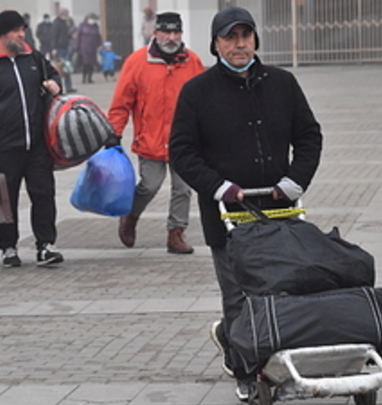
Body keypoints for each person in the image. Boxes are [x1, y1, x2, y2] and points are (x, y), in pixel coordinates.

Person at [168, 6, 323, 401]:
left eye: (245, 36)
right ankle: (245, 367)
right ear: (216, 43)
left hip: (280, 210)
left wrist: (294, 181)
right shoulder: (197, 92)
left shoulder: (282, 83)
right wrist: (219, 187)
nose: (239, 44)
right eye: (230, 37)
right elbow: (183, 152)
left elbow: (308, 137)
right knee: (238, 294)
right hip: (228, 216)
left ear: (255, 40)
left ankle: (278, 355)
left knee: (283, 289)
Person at [0, 10, 65, 268]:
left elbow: (52, 76)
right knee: (6, 200)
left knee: (44, 194)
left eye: (23, 30)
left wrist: (55, 84)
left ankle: (46, 245)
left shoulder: (33, 58)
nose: (22, 35)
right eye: (16, 31)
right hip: (4, 146)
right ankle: (8, 247)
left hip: (38, 144)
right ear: (2, 33)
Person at [107, 12, 205, 254]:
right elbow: (121, 102)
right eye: (166, 32)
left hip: (184, 141)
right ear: (155, 33)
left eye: (176, 33)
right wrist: (114, 132)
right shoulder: (137, 62)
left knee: (183, 188)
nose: (171, 38)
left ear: (181, 34)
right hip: (149, 139)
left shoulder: (193, 62)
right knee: (150, 185)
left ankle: (176, 233)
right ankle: (130, 216)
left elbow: (207, 101)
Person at [51, 8, 75, 93]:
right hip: (59, 48)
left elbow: (64, 35)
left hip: (65, 47)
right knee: (60, 69)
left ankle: (68, 87)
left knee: (67, 67)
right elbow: (54, 36)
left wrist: (70, 37)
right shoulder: (56, 23)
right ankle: (59, 87)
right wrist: (54, 48)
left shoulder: (64, 23)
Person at [76, 13, 103, 84]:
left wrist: (100, 44)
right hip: (84, 47)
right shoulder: (82, 26)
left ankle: (90, 78)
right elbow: (78, 36)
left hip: (93, 47)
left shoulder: (96, 26)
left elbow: (98, 36)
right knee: (85, 63)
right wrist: (77, 46)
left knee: (92, 63)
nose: (92, 20)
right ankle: (84, 78)